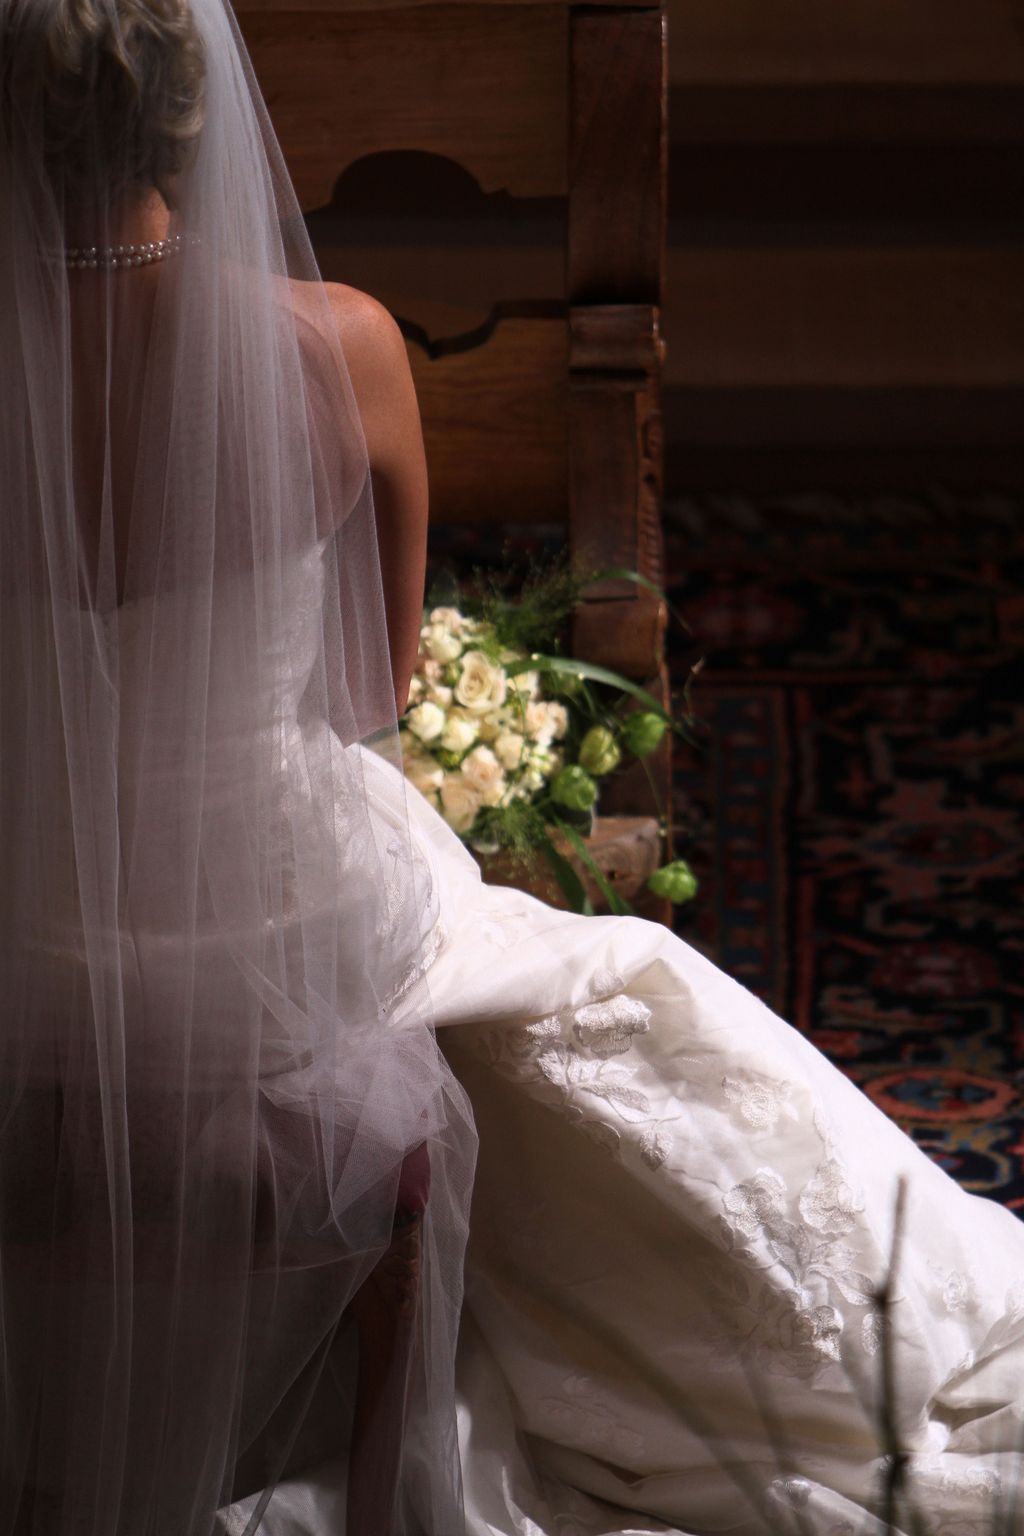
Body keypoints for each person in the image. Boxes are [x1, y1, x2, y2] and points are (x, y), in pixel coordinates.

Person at [1, 1, 1022, 1534]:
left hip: (26, 944)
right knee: (593, 986)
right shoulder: (336, 345)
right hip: (281, 937)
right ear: (199, 122)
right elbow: (372, 689)